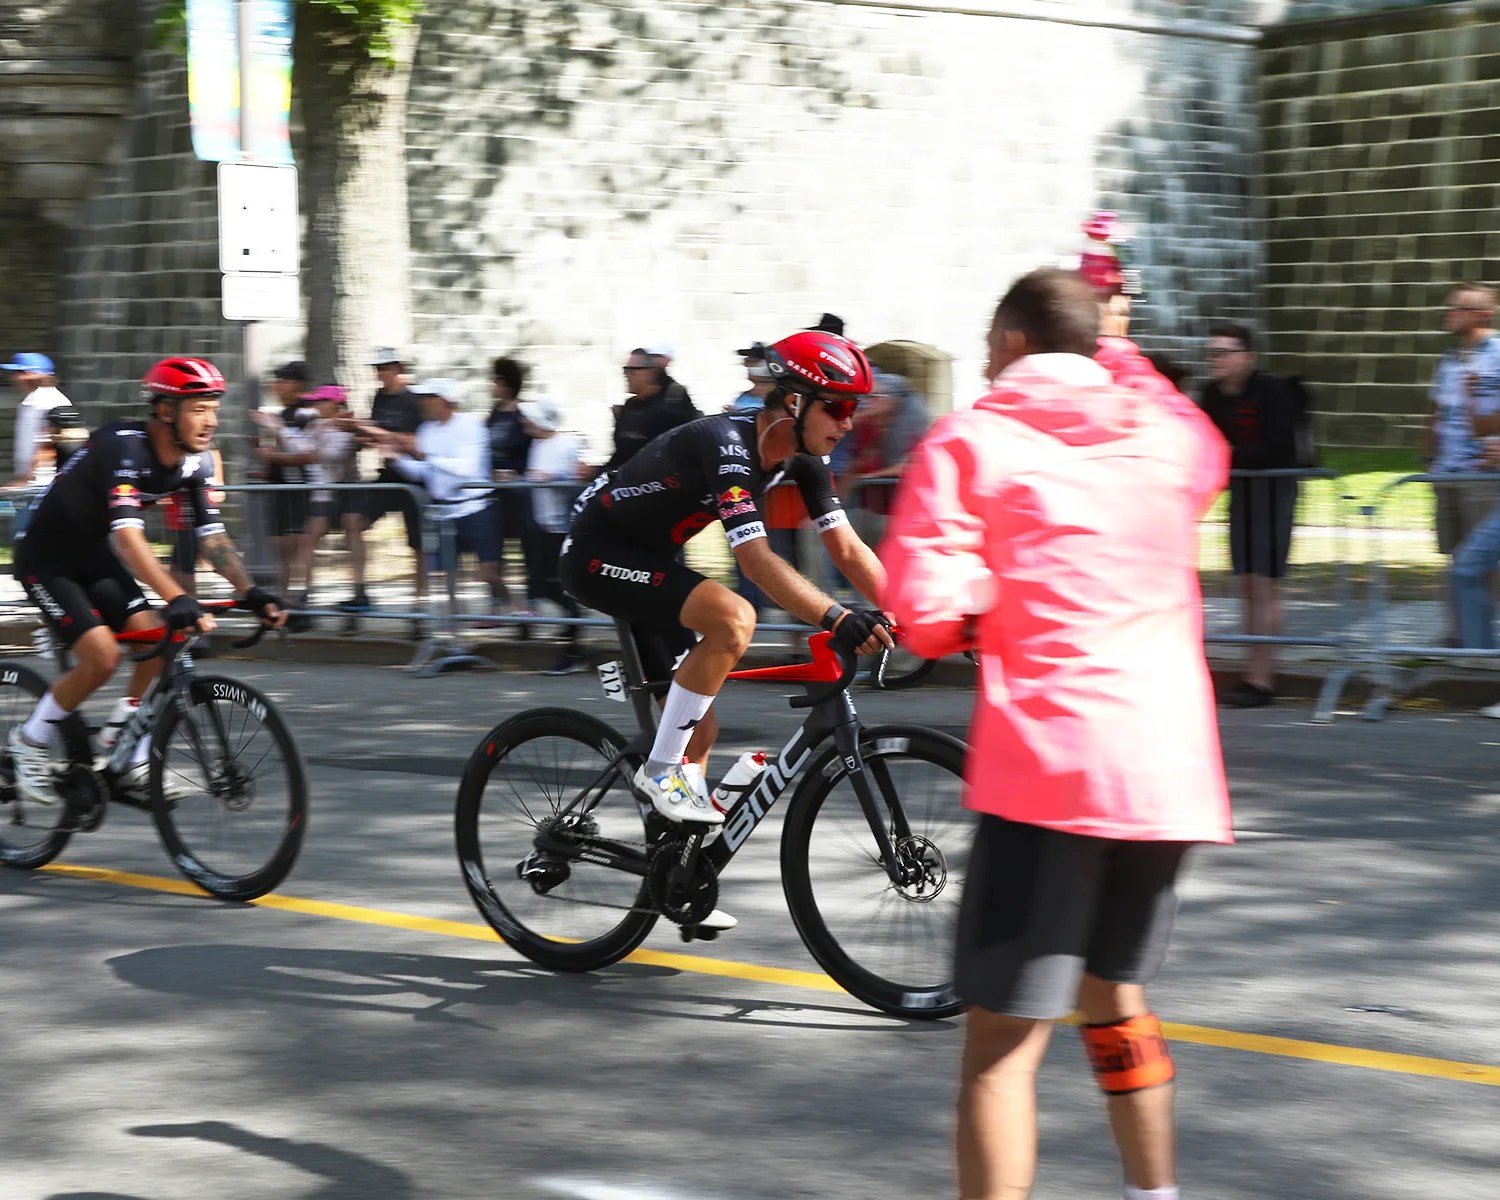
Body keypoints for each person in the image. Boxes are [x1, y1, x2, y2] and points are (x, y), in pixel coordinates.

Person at [879, 267, 1231, 1200]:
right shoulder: (1165, 433)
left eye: (992, 344)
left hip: (1053, 766)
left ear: (1010, 346)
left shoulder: (971, 442)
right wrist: (1118, 342)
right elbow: (1208, 452)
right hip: (1167, 773)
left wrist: (996, 592)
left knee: (998, 1049)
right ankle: (1155, 1196)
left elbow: (918, 614)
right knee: (1115, 1007)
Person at [559, 328, 896, 855]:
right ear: (794, 400)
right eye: (836, 407)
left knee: (701, 727)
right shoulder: (727, 445)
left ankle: (679, 873)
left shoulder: (805, 460)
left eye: (853, 409)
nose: (848, 423)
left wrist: (922, 613)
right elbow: (756, 563)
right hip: (596, 552)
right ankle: (660, 771)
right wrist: (836, 616)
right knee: (734, 618)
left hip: (650, 560)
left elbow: (848, 550)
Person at [8, 357, 286, 806]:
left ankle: (125, 753)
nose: (210, 420)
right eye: (198, 408)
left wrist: (250, 592)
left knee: (155, 639)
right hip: (46, 558)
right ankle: (30, 740)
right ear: (164, 412)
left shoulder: (194, 465)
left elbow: (212, 538)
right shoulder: (125, 449)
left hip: (91, 555)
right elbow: (128, 536)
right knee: (100, 657)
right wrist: (177, 596)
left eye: (213, 407)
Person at [1198, 323, 1305, 707]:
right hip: (1242, 491)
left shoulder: (1272, 392)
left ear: (1248, 357)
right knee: (1246, 582)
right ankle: (1251, 673)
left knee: (1265, 584)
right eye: (1212, 353)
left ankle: (1263, 678)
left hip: (1275, 491)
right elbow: (1204, 439)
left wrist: (1229, 454)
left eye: (1225, 352)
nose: (1217, 360)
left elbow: (1278, 449)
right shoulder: (1211, 394)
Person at [386, 378, 507, 611]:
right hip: (445, 511)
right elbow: (422, 472)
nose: (423, 403)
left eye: (428, 398)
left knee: (488, 571)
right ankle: (454, 627)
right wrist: (396, 459)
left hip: (476, 508)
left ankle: (513, 607)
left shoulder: (471, 426)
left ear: (444, 401)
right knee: (448, 575)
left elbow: (466, 468)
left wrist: (426, 457)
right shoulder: (426, 430)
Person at [1427, 283, 1500, 644]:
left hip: (1484, 474)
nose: (1449, 314)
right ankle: (1459, 634)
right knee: (1455, 555)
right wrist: (1429, 457)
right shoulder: (1450, 357)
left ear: (1481, 315)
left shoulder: (1498, 353)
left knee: (1487, 559)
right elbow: (1437, 408)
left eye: (1458, 309)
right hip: (1448, 470)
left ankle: (1489, 636)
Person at [338, 348, 427, 618]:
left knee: (419, 544)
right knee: (353, 520)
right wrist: (355, 433)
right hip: (388, 474)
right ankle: (359, 591)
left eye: (385, 368)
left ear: (398, 368)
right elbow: (378, 437)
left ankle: (420, 604)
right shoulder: (379, 397)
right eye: (377, 369)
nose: (380, 374)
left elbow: (414, 443)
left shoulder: (415, 401)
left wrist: (369, 431)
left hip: (414, 476)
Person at [516, 396, 586, 674]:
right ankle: (573, 626)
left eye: (529, 417)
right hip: (543, 525)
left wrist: (550, 476)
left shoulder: (567, 442)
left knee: (560, 586)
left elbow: (575, 478)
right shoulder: (536, 444)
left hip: (564, 527)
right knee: (542, 586)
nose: (524, 421)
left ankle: (573, 648)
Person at [838, 369, 929, 548]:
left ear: (892, 400)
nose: (867, 402)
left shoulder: (913, 428)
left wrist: (871, 477)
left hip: (901, 512)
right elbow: (854, 466)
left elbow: (911, 464)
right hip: (869, 508)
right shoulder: (868, 428)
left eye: (875, 396)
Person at [252, 361, 318, 611]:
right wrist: (264, 456)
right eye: (276, 380)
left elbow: (305, 454)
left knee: (298, 546)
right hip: (278, 487)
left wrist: (274, 449)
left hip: (300, 488)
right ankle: (285, 600)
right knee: (280, 547)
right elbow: (278, 452)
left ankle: (303, 599)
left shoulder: (307, 414)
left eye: (284, 380)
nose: (278, 386)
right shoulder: (278, 415)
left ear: (299, 385)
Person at [299, 385, 359, 607]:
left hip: (345, 491)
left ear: (336, 404)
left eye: (321, 401)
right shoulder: (316, 426)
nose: (315, 405)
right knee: (309, 540)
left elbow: (332, 455)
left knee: (351, 540)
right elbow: (298, 447)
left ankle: (357, 591)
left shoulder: (348, 428)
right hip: (321, 493)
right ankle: (305, 592)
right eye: (315, 401)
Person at [485, 356, 533, 616]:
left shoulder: (522, 415)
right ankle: (497, 605)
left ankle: (527, 606)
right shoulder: (493, 414)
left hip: (518, 494)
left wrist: (516, 473)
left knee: (523, 552)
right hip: (495, 493)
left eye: (496, 380)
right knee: (495, 552)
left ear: (505, 383)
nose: (492, 385)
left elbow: (531, 449)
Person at [602, 348, 700, 472]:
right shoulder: (629, 407)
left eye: (632, 370)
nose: (627, 375)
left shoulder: (669, 410)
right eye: (625, 370)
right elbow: (621, 455)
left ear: (649, 373)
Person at [3, 351, 71, 495]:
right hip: (31, 484)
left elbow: (50, 445)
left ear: (32, 375)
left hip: (42, 484)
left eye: (18, 372)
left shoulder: (52, 401)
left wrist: (25, 481)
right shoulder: (33, 401)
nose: (13, 378)